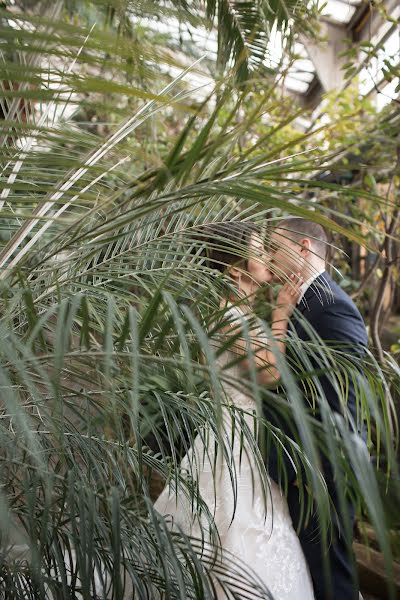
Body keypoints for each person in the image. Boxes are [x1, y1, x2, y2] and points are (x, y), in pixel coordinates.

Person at [154, 222, 315, 600]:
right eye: (260, 253)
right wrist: (280, 316)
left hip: (248, 434)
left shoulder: (237, 313)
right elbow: (270, 373)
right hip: (235, 438)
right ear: (236, 269)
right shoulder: (224, 316)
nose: (266, 261)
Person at [266, 217, 369, 600]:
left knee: (332, 578)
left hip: (321, 472)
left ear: (304, 248)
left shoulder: (333, 309)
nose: (271, 258)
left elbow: (340, 402)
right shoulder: (304, 301)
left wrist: (312, 470)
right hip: (301, 469)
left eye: (276, 248)